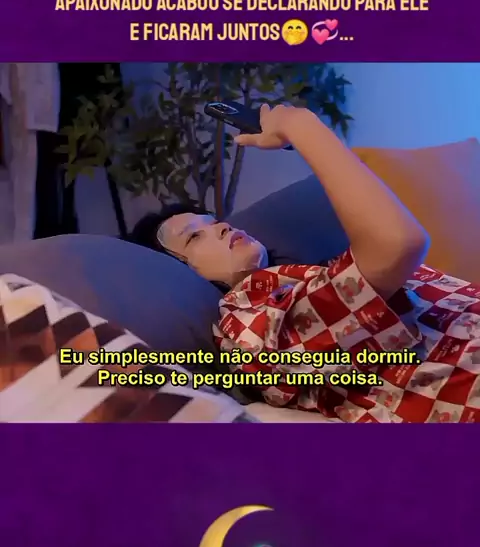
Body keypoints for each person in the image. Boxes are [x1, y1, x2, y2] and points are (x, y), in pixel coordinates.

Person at [130, 104, 480, 423]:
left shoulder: (314, 274)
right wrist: (300, 126)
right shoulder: (248, 323)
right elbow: (397, 244)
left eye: (213, 221)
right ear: (180, 271)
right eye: (194, 237)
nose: (221, 227)